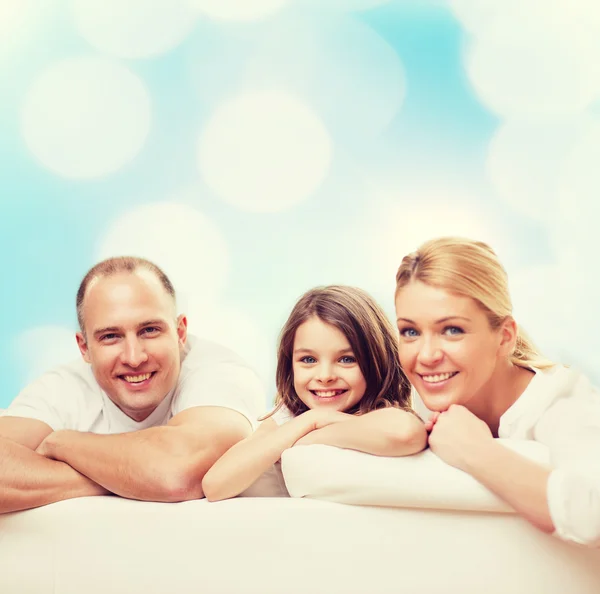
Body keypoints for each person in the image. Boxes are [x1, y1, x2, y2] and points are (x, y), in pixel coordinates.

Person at [0, 256, 264, 514]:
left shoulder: (222, 373)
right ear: (85, 348)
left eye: (149, 330)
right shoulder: (62, 388)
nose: (134, 357)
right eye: (111, 336)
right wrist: (128, 478)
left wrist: (61, 444)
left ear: (180, 332)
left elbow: (177, 475)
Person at [394, 236, 600, 547]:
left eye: (452, 330)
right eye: (410, 331)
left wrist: (475, 451)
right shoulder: (415, 394)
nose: (425, 356)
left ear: (504, 337)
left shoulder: (562, 404)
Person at [202, 285, 427, 501]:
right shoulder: (287, 419)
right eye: (308, 360)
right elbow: (215, 485)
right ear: (290, 364)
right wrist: (311, 420)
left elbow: (406, 433)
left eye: (346, 359)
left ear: (377, 359)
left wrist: (314, 429)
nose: (325, 375)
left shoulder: (384, 411)